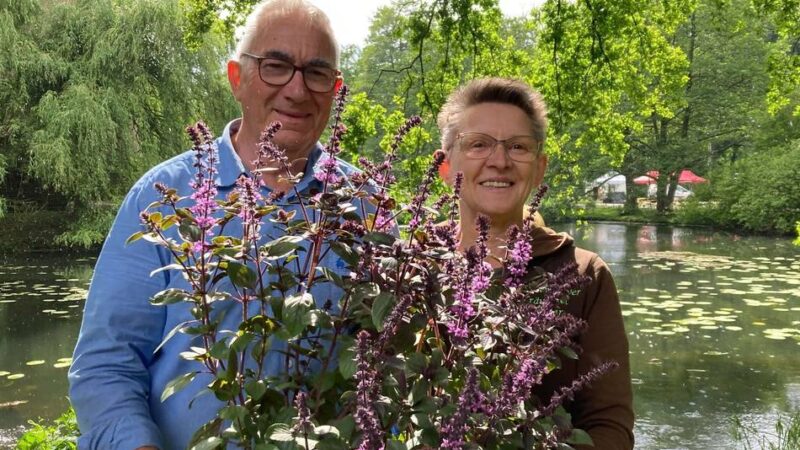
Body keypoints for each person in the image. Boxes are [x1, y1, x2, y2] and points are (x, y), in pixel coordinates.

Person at [68, 1, 363, 449]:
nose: (297, 90)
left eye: (317, 73)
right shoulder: (162, 196)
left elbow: (386, 361)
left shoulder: (365, 206)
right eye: (276, 66)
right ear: (236, 78)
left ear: (335, 89)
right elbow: (106, 365)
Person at [436, 77, 634, 449]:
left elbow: (609, 426)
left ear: (539, 169)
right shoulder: (403, 264)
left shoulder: (584, 276)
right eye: (478, 144)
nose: (500, 161)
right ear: (446, 167)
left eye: (518, 147)